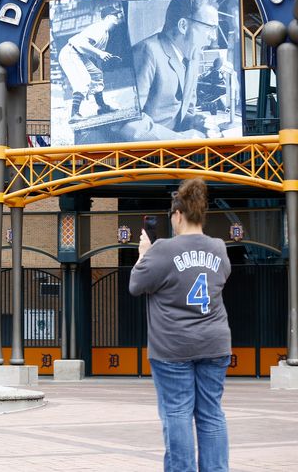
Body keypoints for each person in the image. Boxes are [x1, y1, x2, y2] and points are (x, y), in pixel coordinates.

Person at [129, 178, 232, 472]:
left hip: (172, 346)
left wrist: (143, 255)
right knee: (211, 414)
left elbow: (137, 285)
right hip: (214, 342)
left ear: (177, 215)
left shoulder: (163, 249)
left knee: (177, 413)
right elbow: (222, 277)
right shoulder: (219, 248)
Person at [120, 0, 220, 141]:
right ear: (183, 26)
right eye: (209, 27)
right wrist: (180, 140)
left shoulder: (192, 57)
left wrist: (194, 121)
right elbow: (127, 122)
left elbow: (181, 113)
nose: (213, 38)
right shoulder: (147, 52)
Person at [58, 4, 123, 124]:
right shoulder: (99, 28)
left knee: (97, 75)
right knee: (84, 81)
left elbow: (95, 55)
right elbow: (81, 43)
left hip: (80, 54)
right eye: (115, 15)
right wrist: (100, 53)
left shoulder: (105, 33)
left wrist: (100, 62)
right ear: (108, 17)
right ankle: (74, 114)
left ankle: (102, 106)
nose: (117, 17)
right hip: (71, 52)